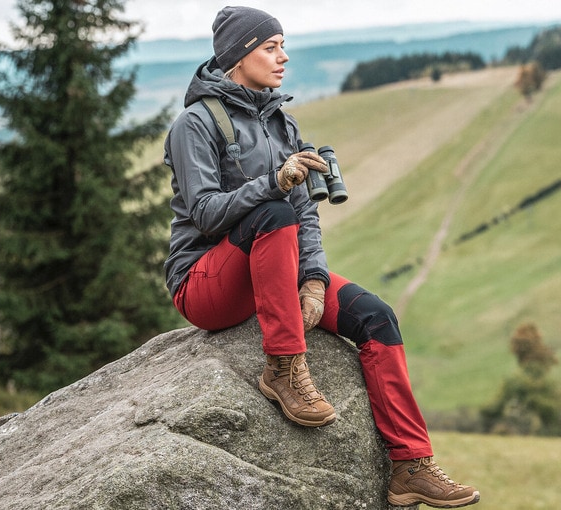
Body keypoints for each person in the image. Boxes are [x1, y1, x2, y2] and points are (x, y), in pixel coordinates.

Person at [162, 6, 480, 508]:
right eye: (270, 47)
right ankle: (284, 369)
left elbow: (304, 214)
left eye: (282, 45)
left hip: (275, 272)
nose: (283, 56)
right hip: (205, 284)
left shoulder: (281, 124)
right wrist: (275, 182)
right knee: (271, 210)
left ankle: (410, 465)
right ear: (238, 55)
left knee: (375, 317)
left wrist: (312, 280)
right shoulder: (194, 125)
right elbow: (204, 212)